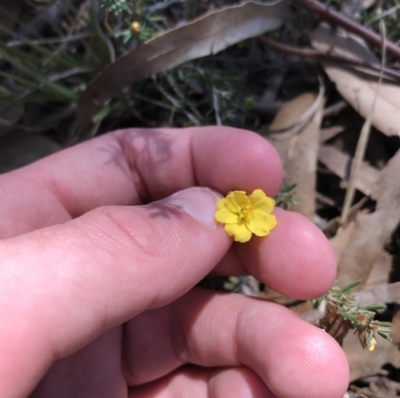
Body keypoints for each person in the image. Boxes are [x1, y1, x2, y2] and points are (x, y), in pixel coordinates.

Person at [0, 126, 349, 398]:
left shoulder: (251, 213)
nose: (244, 210)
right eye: (242, 209)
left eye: (246, 209)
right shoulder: (233, 211)